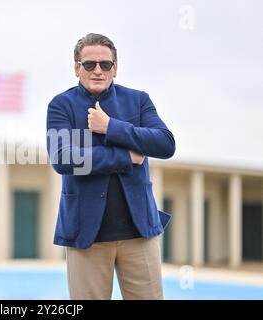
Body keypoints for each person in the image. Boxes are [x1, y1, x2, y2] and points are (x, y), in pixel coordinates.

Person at [46, 33, 176, 300]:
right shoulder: (61, 105)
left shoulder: (138, 101)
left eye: (105, 64)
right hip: (86, 236)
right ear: (76, 68)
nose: (97, 70)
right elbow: (64, 158)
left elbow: (165, 143)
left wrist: (110, 127)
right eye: (89, 64)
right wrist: (126, 156)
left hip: (140, 233)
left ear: (115, 68)